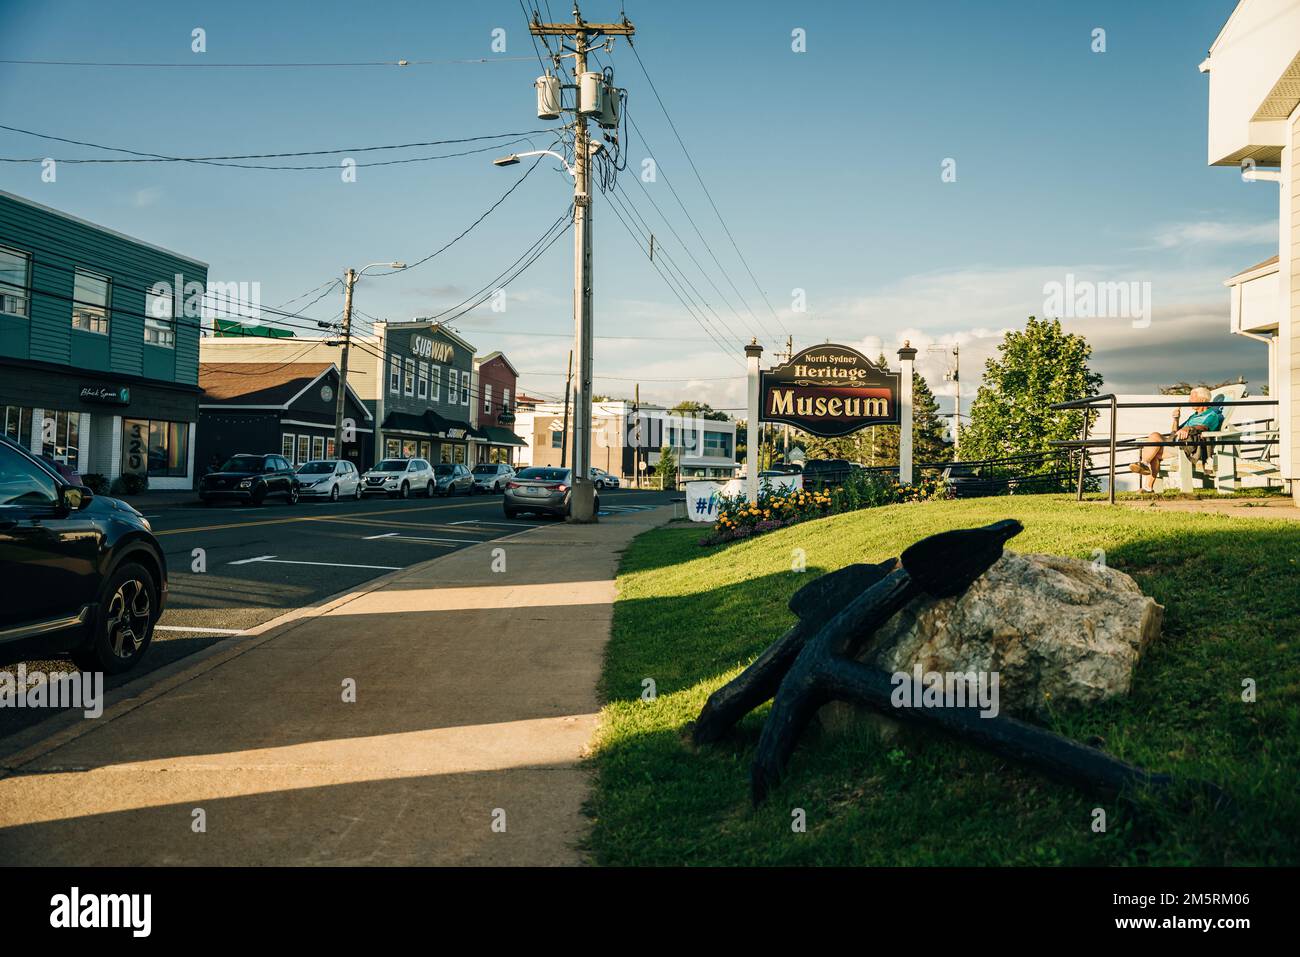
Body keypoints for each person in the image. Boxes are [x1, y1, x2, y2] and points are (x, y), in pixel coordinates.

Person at [1129, 386, 1224, 492]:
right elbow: (1174, 432)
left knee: (1154, 451)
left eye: (1192, 397)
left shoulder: (1212, 415)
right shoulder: (1193, 417)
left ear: (1202, 399)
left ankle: (1146, 476)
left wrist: (1189, 428)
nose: (1189, 400)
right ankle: (1145, 468)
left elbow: (1204, 427)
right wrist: (1176, 419)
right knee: (1154, 436)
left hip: (1191, 447)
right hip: (1178, 443)